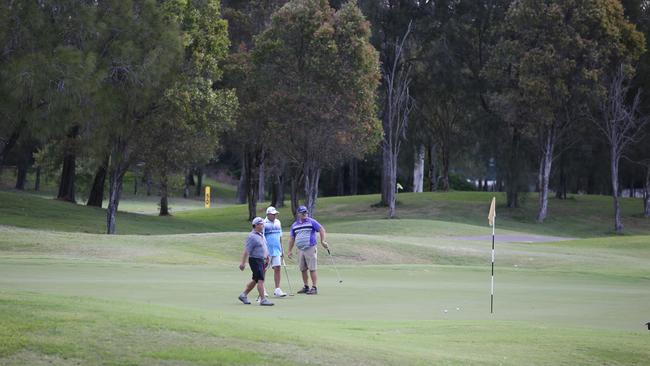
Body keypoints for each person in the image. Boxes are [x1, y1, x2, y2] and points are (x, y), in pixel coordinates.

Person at [287, 205, 328, 295]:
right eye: (303, 213)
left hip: (310, 248)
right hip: (300, 249)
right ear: (298, 214)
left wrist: (323, 241)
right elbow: (292, 238)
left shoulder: (311, 222)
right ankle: (306, 287)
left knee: (312, 268)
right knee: (303, 269)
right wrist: (289, 250)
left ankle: (314, 287)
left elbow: (321, 229)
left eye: (305, 212)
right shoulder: (294, 225)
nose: (305, 214)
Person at [238, 217, 274, 306]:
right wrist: (242, 263)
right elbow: (247, 251)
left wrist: (267, 256)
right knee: (261, 279)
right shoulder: (252, 236)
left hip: (261, 260)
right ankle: (263, 299)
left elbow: (264, 247)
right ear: (256, 225)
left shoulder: (261, 235)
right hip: (255, 260)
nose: (263, 225)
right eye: (261, 224)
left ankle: (243, 295)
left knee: (255, 279)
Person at [264, 206, 287, 297]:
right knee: (264, 270)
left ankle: (277, 289)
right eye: (273, 214)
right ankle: (263, 289)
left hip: (277, 250)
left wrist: (282, 249)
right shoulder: (263, 223)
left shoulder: (278, 222)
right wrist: (264, 251)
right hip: (267, 251)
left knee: (277, 268)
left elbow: (280, 237)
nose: (275, 216)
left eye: (276, 214)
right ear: (268, 214)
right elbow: (261, 237)